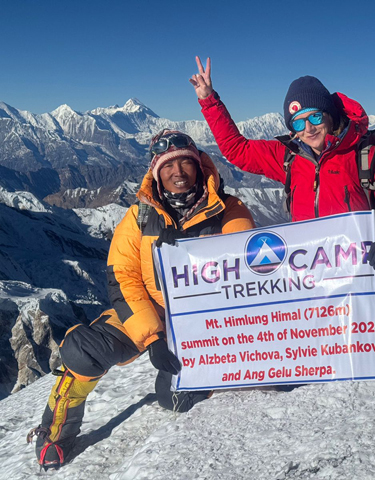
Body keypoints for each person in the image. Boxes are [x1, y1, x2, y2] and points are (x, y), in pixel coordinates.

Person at [28, 130, 256, 470]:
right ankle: (57, 433)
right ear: (156, 173)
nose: (178, 173)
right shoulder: (139, 217)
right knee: (84, 349)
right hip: (149, 306)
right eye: (168, 167)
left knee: (174, 398)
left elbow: (246, 269)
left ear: (199, 167)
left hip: (203, 316)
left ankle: (215, 379)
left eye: (185, 164)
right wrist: (153, 336)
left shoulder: (229, 211)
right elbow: (123, 278)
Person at [189, 57, 375, 338]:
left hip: (363, 271)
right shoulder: (289, 157)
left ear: (329, 114)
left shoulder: (367, 155)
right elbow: (237, 150)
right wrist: (209, 100)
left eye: (314, 117)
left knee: (359, 346)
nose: (308, 129)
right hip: (310, 272)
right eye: (298, 122)